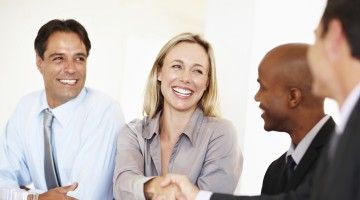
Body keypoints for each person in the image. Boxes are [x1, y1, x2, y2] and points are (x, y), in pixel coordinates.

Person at [159, 0, 360, 199]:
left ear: (334, 36)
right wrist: (197, 196)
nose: (311, 56)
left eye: (316, 40)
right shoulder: (341, 137)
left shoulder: (347, 137)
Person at [0, 19, 125, 200]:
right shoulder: (26, 108)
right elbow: (2, 181)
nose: (71, 69)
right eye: (59, 58)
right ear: (39, 62)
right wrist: (35, 198)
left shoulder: (105, 112)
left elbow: (83, 196)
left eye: (79, 59)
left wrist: (25, 195)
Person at [113, 33, 242, 200]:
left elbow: (211, 197)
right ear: (159, 72)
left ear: (207, 82)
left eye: (197, 71)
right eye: (177, 66)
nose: (186, 78)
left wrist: (143, 190)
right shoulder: (133, 133)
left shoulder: (221, 134)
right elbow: (122, 186)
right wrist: (159, 188)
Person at [255, 43, 335, 195]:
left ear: (293, 97)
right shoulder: (275, 172)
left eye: (263, 88)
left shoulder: (343, 157)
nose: (256, 97)